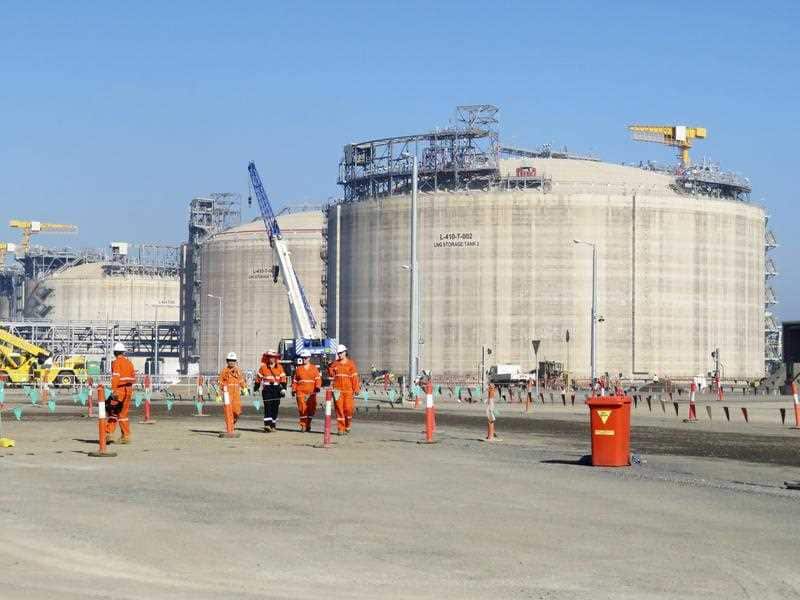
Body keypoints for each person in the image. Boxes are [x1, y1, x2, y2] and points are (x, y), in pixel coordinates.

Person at [327, 344, 360, 435]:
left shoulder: (351, 364)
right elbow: (331, 375)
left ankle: (347, 425)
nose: (339, 354)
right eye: (338, 353)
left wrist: (356, 389)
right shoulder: (335, 364)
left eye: (341, 353)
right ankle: (340, 428)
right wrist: (329, 366)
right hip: (337, 390)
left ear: (345, 352)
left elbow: (354, 377)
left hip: (348, 390)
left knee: (348, 409)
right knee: (339, 409)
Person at [107, 342, 135, 444]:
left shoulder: (116, 363)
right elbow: (132, 377)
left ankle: (109, 434)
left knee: (113, 411)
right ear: (123, 352)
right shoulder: (129, 363)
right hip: (129, 390)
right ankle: (126, 436)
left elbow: (116, 377)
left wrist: (113, 390)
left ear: (115, 352)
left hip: (119, 390)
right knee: (123, 414)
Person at [255, 350, 286, 432]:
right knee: (267, 406)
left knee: (275, 407)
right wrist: (256, 389)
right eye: (270, 357)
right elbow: (258, 379)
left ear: (275, 358)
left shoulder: (280, 367)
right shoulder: (263, 367)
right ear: (267, 358)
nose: (271, 359)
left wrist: (283, 389)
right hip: (267, 389)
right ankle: (267, 425)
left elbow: (283, 379)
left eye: (273, 357)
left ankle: (273, 425)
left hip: (276, 389)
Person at [292, 350, 321, 432]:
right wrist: (294, 389)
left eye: (306, 358)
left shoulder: (314, 368)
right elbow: (295, 381)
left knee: (311, 409)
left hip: (312, 392)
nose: (304, 359)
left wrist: (318, 387)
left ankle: (308, 424)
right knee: (302, 409)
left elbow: (318, 379)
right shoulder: (299, 369)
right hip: (300, 392)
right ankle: (303, 425)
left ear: (309, 358)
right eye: (303, 358)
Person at [219, 351, 246, 425]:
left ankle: (234, 420)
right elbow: (220, 382)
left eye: (233, 361)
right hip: (227, 394)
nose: (231, 362)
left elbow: (241, 380)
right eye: (230, 360)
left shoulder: (238, 371)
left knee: (237, 411)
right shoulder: (224, 371)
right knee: (228, 411)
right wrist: (220, 392)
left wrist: (244, 388)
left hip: (236, 394)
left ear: (235, 361)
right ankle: (230, 427)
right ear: (227, 361)